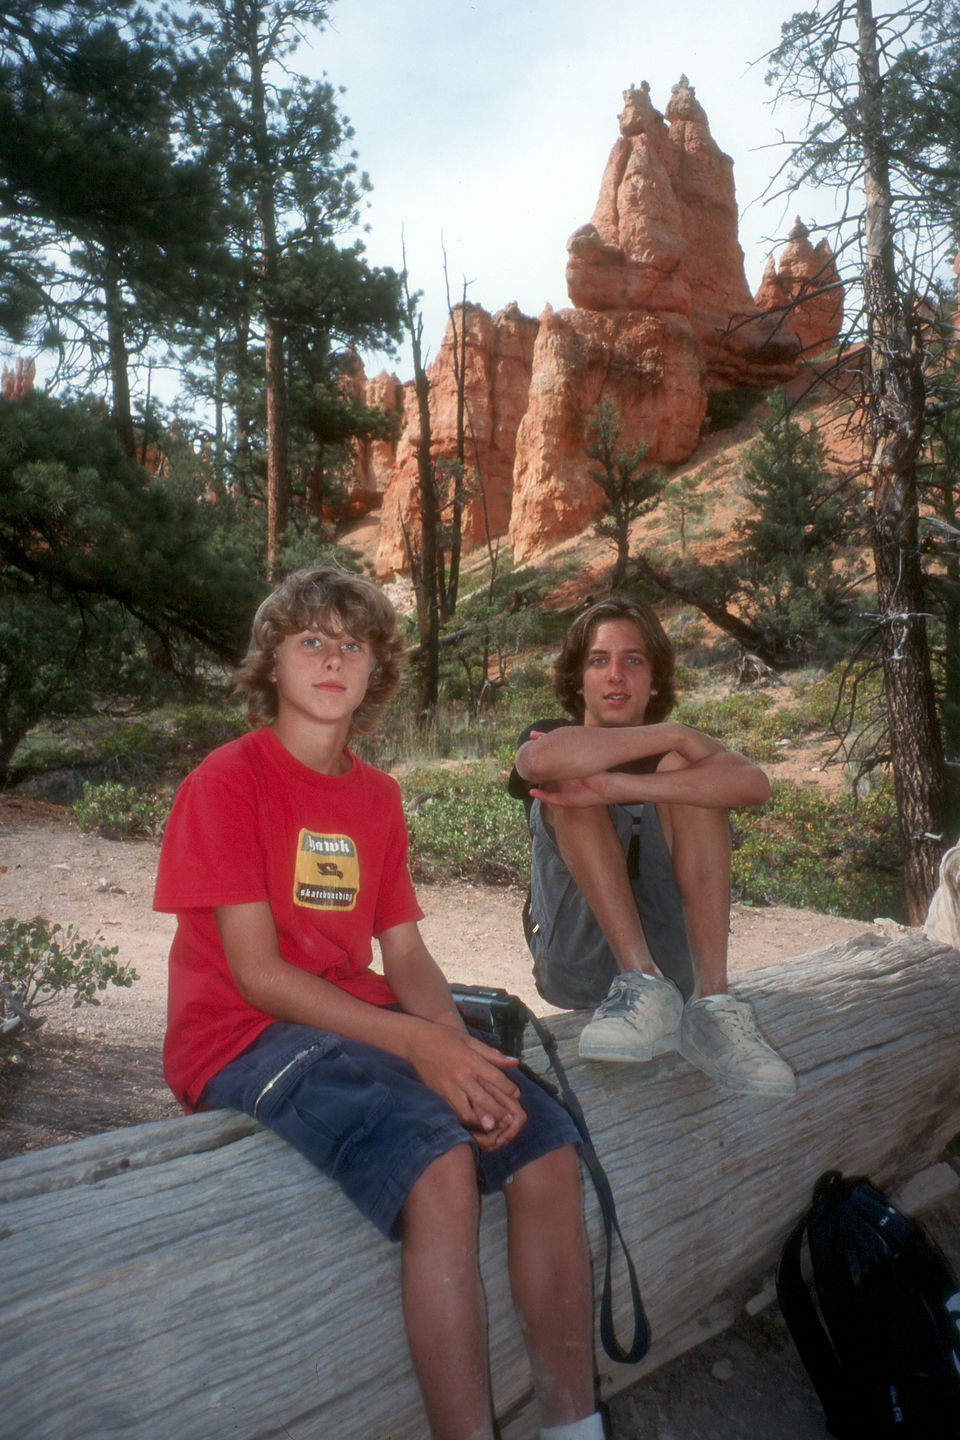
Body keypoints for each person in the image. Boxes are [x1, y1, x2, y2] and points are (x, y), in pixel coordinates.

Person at [154, 567, 605, 1440]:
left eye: (352, 644)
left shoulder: (377, 796)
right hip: (242, 1033)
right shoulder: (227, 781)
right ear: (272, 663)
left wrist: (449, 1042)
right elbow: (257, 975)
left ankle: (573, 1427)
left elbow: (403, 951)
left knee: (544, 1142)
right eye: (310, 641)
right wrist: (418, 1047)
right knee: (438, 1166)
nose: (333, 658)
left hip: (352, 1020)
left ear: (376, 670)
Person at [509, 594, 796, 1099]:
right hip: (577, 964)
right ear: (578, 680)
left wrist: (630, 777)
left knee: (693, 784)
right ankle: (639, 976)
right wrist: (669, 741)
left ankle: (711, 1005)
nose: (616, 675)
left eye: (633, 661)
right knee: (570, 781)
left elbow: (754, 784)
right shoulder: (553, 734)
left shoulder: (672, 751)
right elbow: (538, 762)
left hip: (678, 968)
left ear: (654, 680)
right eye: (599, 661)